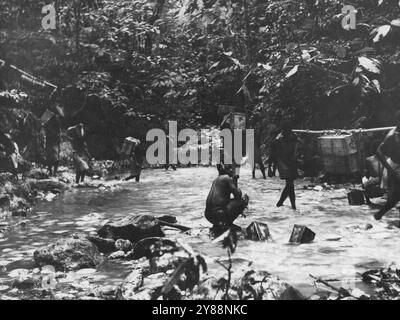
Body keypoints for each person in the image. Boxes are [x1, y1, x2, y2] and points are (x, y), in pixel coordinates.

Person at [374, 111, 400, 220]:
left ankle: (379, 215)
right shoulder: (392, 135)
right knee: (395, 198)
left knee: (395, 198)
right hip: (395, 167)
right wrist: (390, 170)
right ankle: (378, 215)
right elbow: (379, 152)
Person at [272, 120, 299, 210]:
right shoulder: (279, 139)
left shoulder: (293, 136)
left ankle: (287, 205)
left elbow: (297, 145)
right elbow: (276, 155)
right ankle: (286, 204)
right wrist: (277, 167)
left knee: (290, 185)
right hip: (283, 163)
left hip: (291, 162)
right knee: (290, 184)